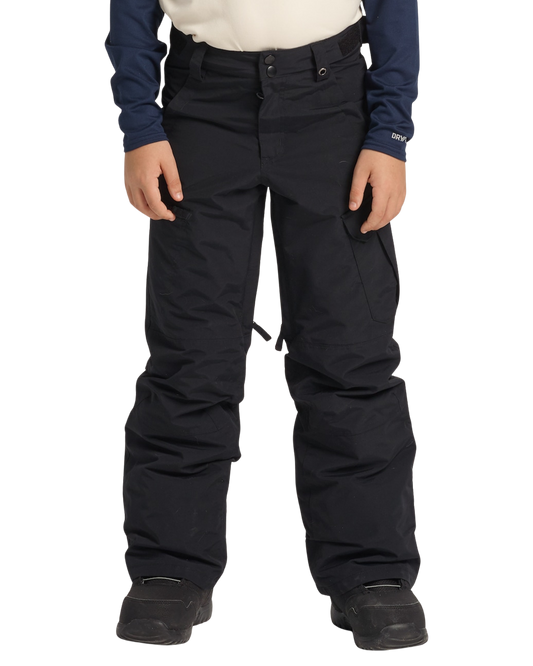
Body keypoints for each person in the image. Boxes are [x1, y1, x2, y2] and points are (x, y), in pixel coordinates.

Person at [103, 0, 429, 653]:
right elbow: (131, 7)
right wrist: (138, 127)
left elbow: (395, 4)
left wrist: (391, 133)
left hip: (334, 108)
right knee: (190, 353)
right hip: (199, 107)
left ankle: (371, 574)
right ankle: (169, 570)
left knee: (349, 350)